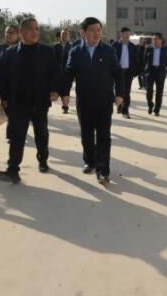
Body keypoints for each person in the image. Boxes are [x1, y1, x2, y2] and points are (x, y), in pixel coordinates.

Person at [0, 17, 60, 183]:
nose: (35, 32)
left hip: (39, 101)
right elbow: (4, 77)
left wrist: (54, 90)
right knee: (17, 136)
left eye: (37, 29)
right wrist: (4, 97)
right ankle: (13, 170)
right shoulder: (10, 53)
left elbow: (54, 72)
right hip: (19, 102)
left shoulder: (47, 51)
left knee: (41, 133)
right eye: (31, 29)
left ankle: (43, 159)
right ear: (21, 32)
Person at [62, 17, 124, 184]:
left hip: (104, 101)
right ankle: (90, 161)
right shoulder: (76, 51)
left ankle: (103, 170)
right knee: (86, 135)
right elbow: (69, 73)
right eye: (92, 30)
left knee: (104, 136)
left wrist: (119, 94)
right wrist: (65, 93)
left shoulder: (108, 51)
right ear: (83, 32)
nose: (97, 34)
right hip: (84, 101)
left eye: (99, 30)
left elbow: (118, 73)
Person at [113, 27, 140, 119]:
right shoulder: (115, 45)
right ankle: (119, 106)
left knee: (127, 92)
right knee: (118, 90)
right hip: (118, 72)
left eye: (129, 34)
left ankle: (125, 111)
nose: (128, 36)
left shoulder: (132, 46)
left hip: (128, 72)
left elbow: (136, 60)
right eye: (126, 34)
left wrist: (135, 73)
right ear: (122, 34)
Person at [143, 32, 167, 116]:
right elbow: (144, 59)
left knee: (159, 92)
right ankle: (150, 105)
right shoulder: (149, 49)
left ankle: (157, 110)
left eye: (156, 39)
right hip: (150, 72)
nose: (154, 41)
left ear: (160, 40)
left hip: (160, 73)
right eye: (153, 39)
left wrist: (165, 70)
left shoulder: (165, 49)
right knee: (149, 91)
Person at [53, 28, 72, 114]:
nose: (64, 36)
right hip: (57, 73)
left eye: (66, 34)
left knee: (66, 90)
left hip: (67, 73)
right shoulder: (55, 47)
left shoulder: (71, 47)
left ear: (68, 36)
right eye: (63, 34)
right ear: (60, 36)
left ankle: (65, 106)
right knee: (58, 90)